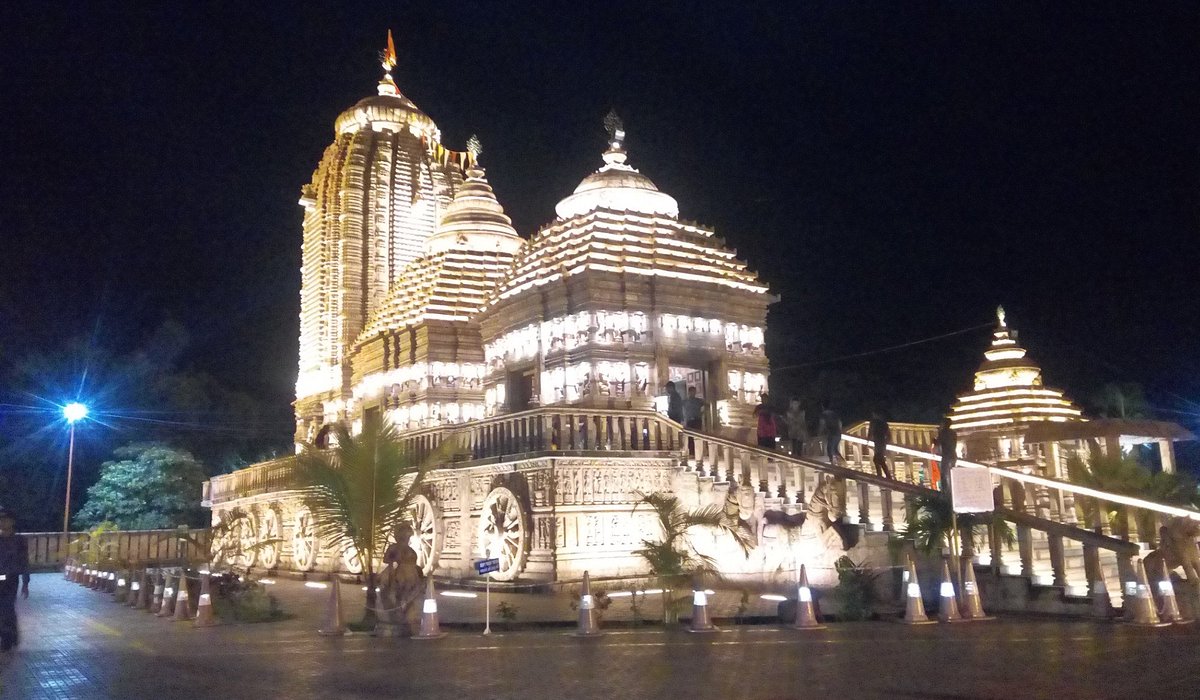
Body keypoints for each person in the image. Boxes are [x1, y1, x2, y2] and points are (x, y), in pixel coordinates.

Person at [0, 507, 30, 653]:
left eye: (5, 520)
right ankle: (11, 635)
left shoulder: (19, 540)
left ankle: (7, 638)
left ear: (12, 522)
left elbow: (24, 562)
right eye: (0, 520)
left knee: (7, 609)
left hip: (11, 580)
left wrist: (25, 583)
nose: (2, 522)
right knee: (5, 610)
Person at [933, 418, 957, 492]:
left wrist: (933, 440)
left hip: (946, 455)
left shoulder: (943, 432)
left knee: (944, 474)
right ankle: (953, 489)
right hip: (953, 455)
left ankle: (945, 491)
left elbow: (938, 442)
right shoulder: (953, 432)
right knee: (951, 473)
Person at [868, 410, 893, 479]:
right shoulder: (884, 423)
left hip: (879, 442)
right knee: (879, 459)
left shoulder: (874, 422)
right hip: (881, 442)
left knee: (877, 459)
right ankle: (885, 475)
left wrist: (868, 439)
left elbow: (870, 431)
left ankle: (882, 475)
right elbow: (889, 435)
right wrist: (887, 441)